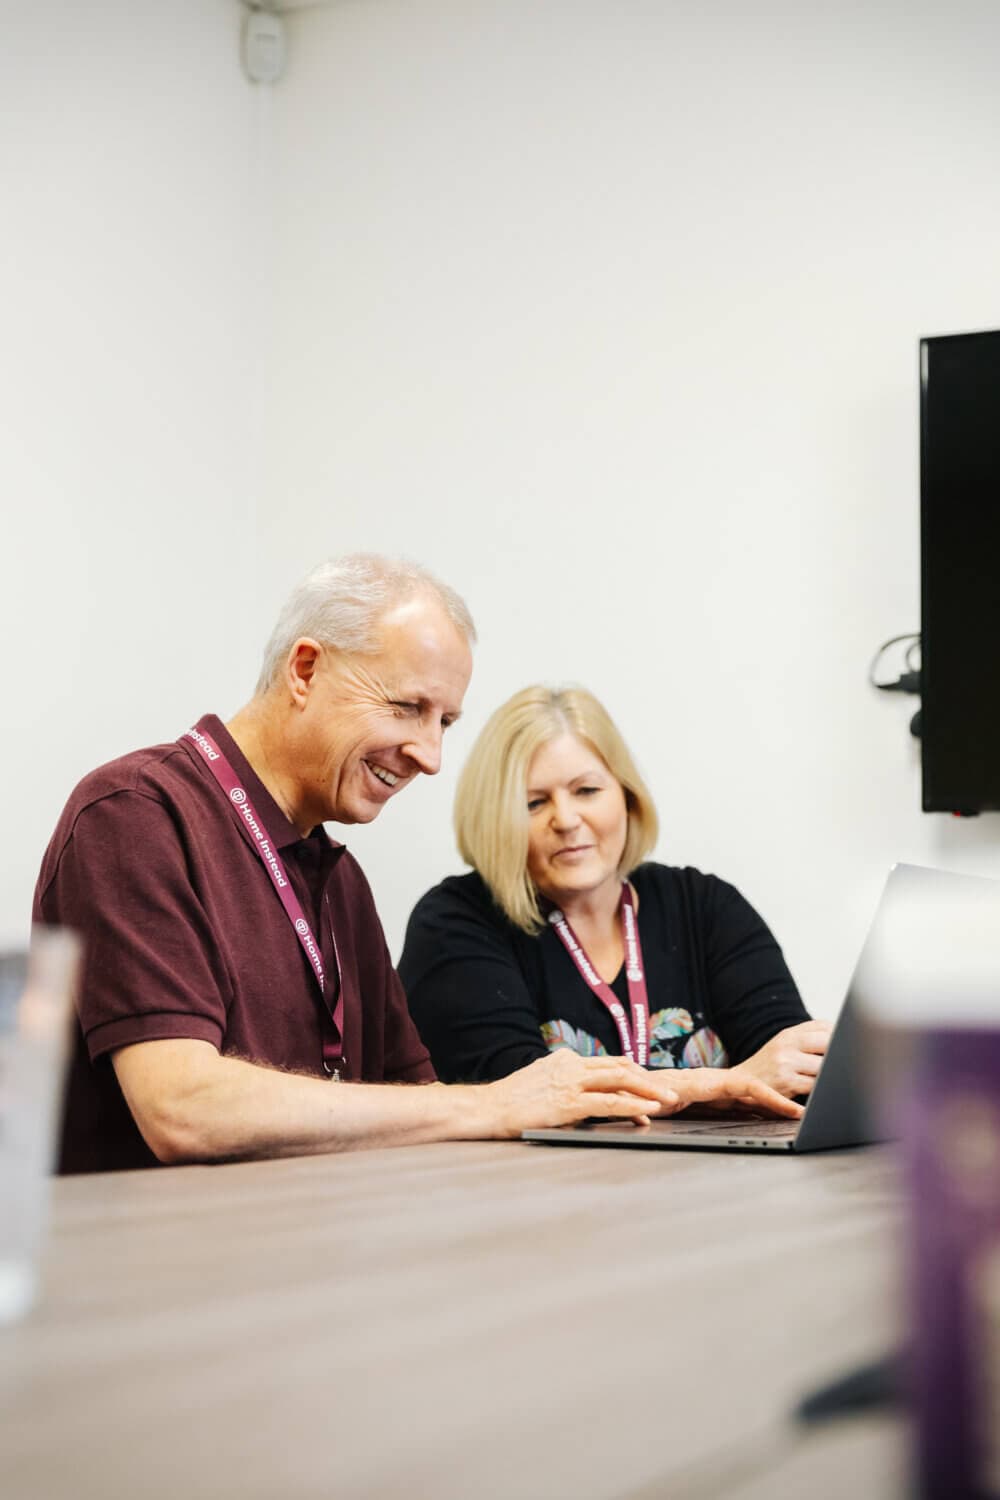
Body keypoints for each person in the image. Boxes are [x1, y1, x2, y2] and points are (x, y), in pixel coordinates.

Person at [34, 558, 801, 1173]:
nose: (431, 756)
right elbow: (183, 1109)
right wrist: (497, 1104)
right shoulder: (135, 815)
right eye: (407, 708)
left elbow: (417, 1105)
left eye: (445, 723)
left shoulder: (338, 880)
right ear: (305, 670)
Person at [400, 685, 831, 1095]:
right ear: (495, 820)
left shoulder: (704, 905)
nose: (566, 819)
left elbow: (787, 1061)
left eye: (586, 790)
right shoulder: (454, 922)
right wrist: (730, 1083)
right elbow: (520, 1089)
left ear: (627, 796)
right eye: (534, 803)